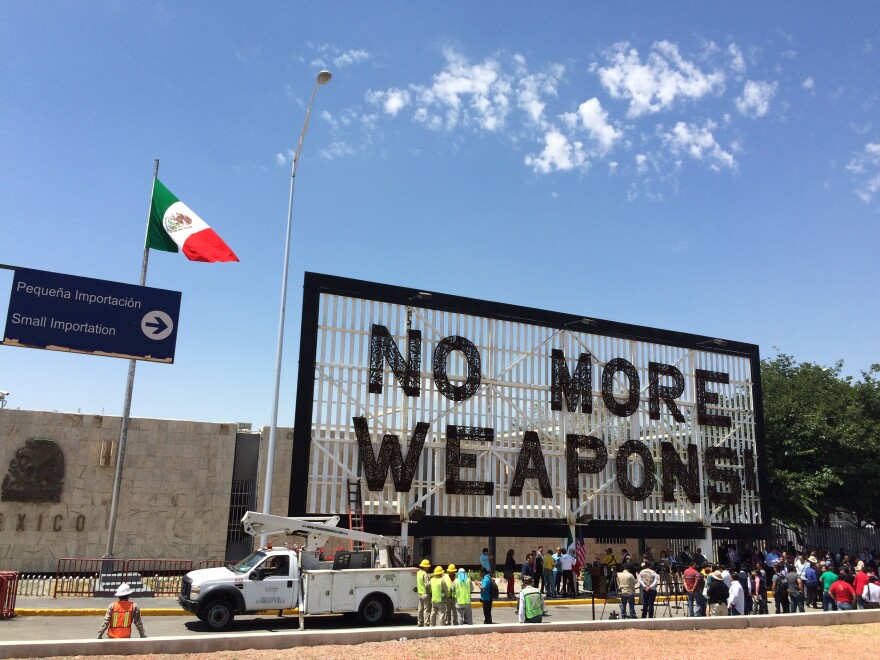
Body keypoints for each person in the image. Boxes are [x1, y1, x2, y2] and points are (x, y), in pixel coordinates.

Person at [416, 558, 432, 627]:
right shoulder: (424, 574)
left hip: (420, 593)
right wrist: (431, 582)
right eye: (427, 566)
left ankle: (420, 622)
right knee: (426, 609)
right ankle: (426, 623)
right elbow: (427, 584)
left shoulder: (418, 572)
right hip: (425, 593)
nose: (428, 568)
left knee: (420, 609)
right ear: (425, 567)